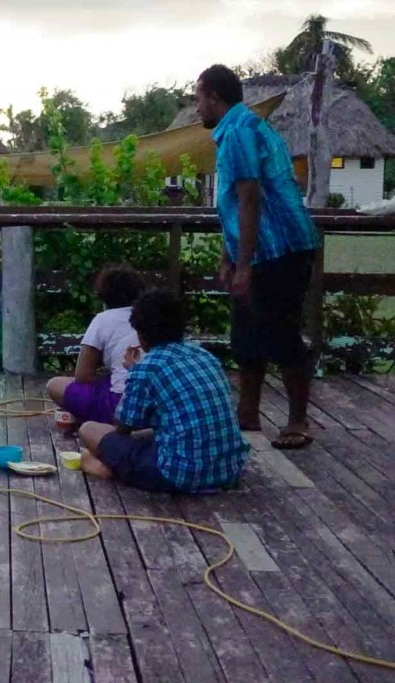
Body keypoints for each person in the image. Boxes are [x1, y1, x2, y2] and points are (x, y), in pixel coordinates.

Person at [194, 64, 321, 449]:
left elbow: (251, 198)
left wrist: (245, 265)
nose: (196, 105)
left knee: (281, 333)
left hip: (279, 247)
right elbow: (231, 205)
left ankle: (299, 420)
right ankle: (247, 416)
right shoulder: (236, 129)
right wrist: (228, 257)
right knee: (246, 335)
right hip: (257, 250)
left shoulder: (240, 132)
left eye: (198, 97)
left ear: (215, 97)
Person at [77, 289, 249, 493]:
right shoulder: (204, 355)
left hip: (177, 475)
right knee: (151, 433)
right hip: (229, 471)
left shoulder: (147, 367)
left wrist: (134, 372)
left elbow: (123, 426)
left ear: (140, 334)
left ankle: (101, 466)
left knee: (89, 429)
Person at [46, 265, 145, 427]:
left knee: (54, 385)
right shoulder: (149, 316)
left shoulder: (104, 319)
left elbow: (83, 376)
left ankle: (96, 421)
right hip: (155, 401)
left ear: (104, 298)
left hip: (121, 403)